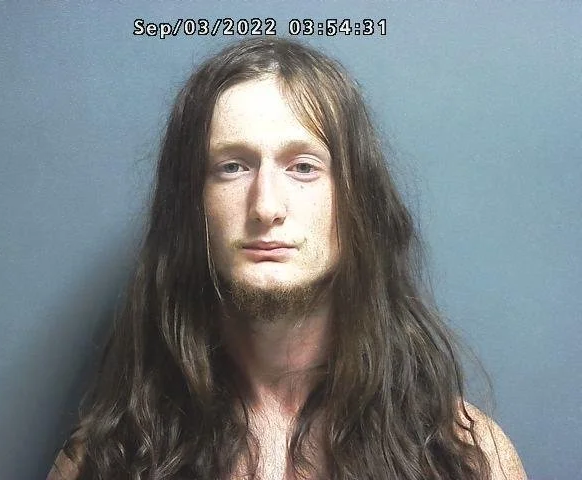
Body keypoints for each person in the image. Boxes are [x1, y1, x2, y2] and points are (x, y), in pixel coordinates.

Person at [47, 37, 527, 480]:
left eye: (303, 167)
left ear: (356, 202)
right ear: (192, 207)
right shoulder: (104, 459)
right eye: (232, 167)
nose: (266, 206)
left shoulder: (463, 455)